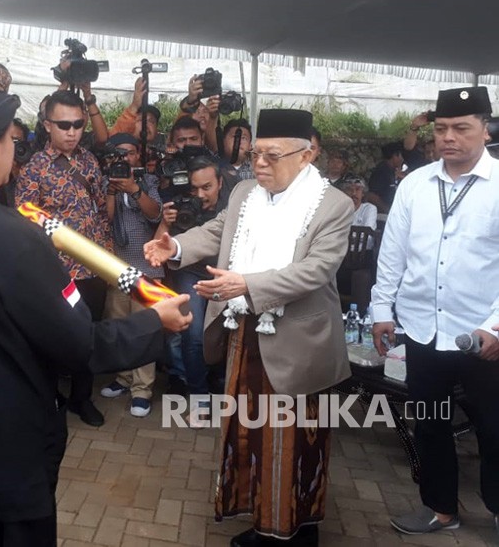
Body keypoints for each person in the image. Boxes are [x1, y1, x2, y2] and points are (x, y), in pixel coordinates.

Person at [0, 61, 191, 547]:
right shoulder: (12, 236)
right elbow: (80, 347)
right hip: (3, 457)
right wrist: (154, 323)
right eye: (11, 137)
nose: (15, 147)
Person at [145, 109, 353, 547]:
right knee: (249, 434)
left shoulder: (332, 205)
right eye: (256, 153)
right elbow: (217, 230)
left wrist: (247, 283)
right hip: (246, 333)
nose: (259, 164)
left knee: (295, 442)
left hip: (299, 343)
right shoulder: (244, 192)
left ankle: (295, 529)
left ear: (306, 155)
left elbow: (317, 269)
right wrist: (176, 245)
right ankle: (262, 522)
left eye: (272, 156)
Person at [371, 86, 499, 540]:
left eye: (461, 128)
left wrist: (495, 325)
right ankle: (441, 509)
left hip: (483, 334)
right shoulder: (414, 184)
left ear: (485, 130)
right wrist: (381, 309)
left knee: (493, 426)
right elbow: (393, 255)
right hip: (423, 328)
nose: (449, 137)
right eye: (442, 128)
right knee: (429, 421)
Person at [15, 89, 113, 427]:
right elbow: (25, 222)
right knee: (52, 335)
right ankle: (48, 397)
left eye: (77, 124)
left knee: (90, 333)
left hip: (94, 266)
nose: (71, 131)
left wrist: (106, 251)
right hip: (57, 270)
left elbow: (101, 208)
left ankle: (81, 398)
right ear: (47, 125)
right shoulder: (33, 170)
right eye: (63, 125)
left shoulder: (89, 160)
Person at [99, 133, 163, 417]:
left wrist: (134, 189)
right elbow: (106, 220)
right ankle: (124, 378)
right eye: (119, 154)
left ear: (138, 155)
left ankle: (142, 389)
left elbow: (155, 214)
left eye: (129, 153)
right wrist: (113, 190)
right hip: (116, 266)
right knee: (119, 326)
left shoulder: (149, 181)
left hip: (146, 267)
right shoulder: (106, 181)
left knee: (144, 328)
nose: (124, 159)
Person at [154, 156, 225, 409]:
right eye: (194, 188)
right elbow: (156, 251)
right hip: (190, 272)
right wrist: (165, 221)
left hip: (225, 273)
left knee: (227, 333)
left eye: (207, 187)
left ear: (220, 182)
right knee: (192, 334)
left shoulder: (233, 208)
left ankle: (222, 384)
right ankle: (199, 401)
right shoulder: (183, 206)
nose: (200, 194)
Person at [367, 141, 404, 213]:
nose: (402, 159)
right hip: (382, 216)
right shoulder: (381, 171)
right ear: (394, 156)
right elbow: (372, 196)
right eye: (400, 156)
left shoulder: (392, 171)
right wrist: (388, 211)